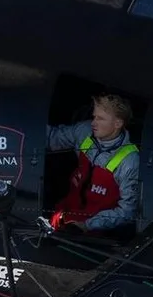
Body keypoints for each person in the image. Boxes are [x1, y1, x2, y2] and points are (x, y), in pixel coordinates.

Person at [45, 94, 140, 234]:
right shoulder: (84, 131)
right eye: (94, 116)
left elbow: (127, 212)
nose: (93, 123)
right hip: (63, 218)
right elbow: (51, 138)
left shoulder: (130, 161)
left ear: (118, 124)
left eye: (100, 119)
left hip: (94, 234)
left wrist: (86, 226)